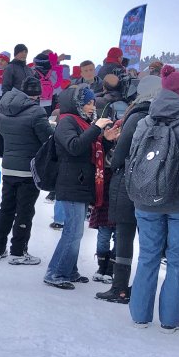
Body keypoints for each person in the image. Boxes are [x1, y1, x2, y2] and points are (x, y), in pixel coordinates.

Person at [128, 67, 179, 331]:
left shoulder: (145, 121)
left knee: (147, 256)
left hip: (146, 197)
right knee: (178, 260)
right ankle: (170, 320)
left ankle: (140, 316)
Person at [43, 86, 120, 289]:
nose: (91, 106)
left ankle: (69, 270)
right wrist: (96, 129)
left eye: (93, 102)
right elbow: (74, 147)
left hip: (80, 183)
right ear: (76, 103)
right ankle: (56, 273)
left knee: (76, 232)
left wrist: (106, 140)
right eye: (87, 102)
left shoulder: (81, 122)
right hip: (71, 183)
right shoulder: (67, 121)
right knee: (73, 232)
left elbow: (89, 149)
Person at [95, 75, 162, 304]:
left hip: (128, 181)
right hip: (154, 184)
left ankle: (120, 287)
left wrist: (113, 154)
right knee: (149, 240)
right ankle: (142, 287)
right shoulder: (166, 116)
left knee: (124, 235)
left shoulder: (136, 116)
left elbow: (120, 155)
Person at [0, 75, 52, 264]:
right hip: (28, 168)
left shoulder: (4, 106)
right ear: (37, 94)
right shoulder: (37, 112)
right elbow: (47, 139)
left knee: (6, 207)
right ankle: (18, 251)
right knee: (24, 210)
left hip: (9, 165)